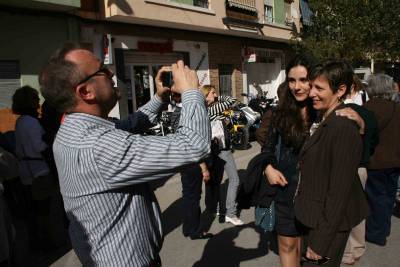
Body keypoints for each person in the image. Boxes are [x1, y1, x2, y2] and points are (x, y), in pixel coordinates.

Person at [39, 43, 210, 267]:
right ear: (85, 92)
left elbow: (127, 126)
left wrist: (159, 97)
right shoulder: (97, 146)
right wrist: (190, 91)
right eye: (102, 70)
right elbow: (195, 146)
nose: (111, 73)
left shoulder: (76, 130)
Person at [294, 60, 369, 267]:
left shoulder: (343, 127)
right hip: (314, 218)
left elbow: (338, 193)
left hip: (326, 229)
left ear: (340, 90)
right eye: (312, 87)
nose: (311, 94)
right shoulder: (325, 116)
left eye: (319, 88)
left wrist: (320, 242)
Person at [261, 55, 316, 267]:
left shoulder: (322, 112)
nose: (297, 86)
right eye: (292, 80)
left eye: (303, 80)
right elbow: (267, 148)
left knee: (310, 249)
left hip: (315, 193)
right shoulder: (280, 113)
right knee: (287, 246)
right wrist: (268, 168)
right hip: (284, 190)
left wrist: (358, 116)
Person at [338, 75, 379, 265]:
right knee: (357, 212)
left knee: (343, 211)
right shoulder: (368, 113)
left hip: (346, 168)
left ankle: (345, 252)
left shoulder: (338, 113)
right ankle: (353, 252)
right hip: (361, 168)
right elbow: (373, 143)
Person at [12, 86, 56, 251]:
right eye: (36, 99)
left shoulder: (21, 121)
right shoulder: (32, 122)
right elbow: (40, 146)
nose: (38, 102)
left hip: (26, 170)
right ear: (29, 102)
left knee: (32, 211)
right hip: (39, 170)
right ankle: (47, 242)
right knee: (44, 210)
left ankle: (36, 242)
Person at [363, 74, 400, 247]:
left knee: (374, 197)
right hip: (394, 161)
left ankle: (375, 233)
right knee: (388, 196)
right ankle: (382, 230)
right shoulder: (396, 108)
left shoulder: (367, 108)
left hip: (374, 161)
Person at [201, 85, 244, 226]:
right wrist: (218, 98)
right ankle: (231, 214)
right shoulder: (213, 108)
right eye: (212, 92)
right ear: (206, 95)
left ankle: (218, 209)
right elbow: (232, 100)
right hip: (222, 149)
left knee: (217, 180)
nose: (215, 94)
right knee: (234, 180)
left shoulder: (206, 110)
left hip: (214, 150)